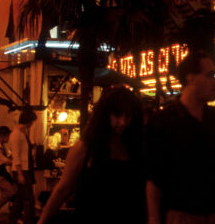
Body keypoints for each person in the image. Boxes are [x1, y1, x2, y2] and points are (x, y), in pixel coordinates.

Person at [146, 50, 215, 224]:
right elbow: (154, 179)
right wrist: (153, 218)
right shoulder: (163, 122)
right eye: (210, 75)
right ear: (190, 78)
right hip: (181, 216)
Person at [40, 86, 145, 224]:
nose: (123, 122)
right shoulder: (85, 147)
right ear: (105, 115)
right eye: (118, 115)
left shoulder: (135, 146)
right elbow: (62, 189)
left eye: (128, 116)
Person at [8, 109, 38, 224]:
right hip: (22, 170)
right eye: (32, 121)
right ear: (28, 121)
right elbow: (16, 156)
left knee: (21, 199)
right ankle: (28, 221)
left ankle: (12, 219)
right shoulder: (16, 135)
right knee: (28, 200)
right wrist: (20, 173)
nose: (32, 124)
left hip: (24, 169)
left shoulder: (22, 133)